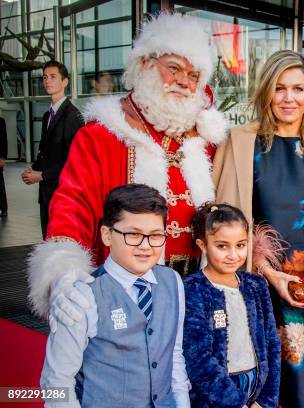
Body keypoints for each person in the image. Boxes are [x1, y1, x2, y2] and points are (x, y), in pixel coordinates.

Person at [27, 12, 227, 329]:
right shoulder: (103, 135)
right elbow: (72, 205)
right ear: (145, 65)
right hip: (126, 301)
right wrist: (63, 271)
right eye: (173, 68)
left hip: (199, 299)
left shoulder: (208, 142)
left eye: (193, 75)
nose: (183, 82)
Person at [213, 49, 304, 408]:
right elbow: (219, 223)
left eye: (298, 89)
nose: (288, 98)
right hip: (256, 285)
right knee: (256, 387)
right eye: (279, 88)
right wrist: (269, 273)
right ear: (266, 91)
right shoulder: (238, 144)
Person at [40, 184, 191, 407]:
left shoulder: (172, 281)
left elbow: (174, 357)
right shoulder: (81, 295)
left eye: (156, 235)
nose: (145, 246)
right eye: (133, 234)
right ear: (107, 235)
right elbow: (55, 382)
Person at [183, 203, 280, 407]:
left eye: (240, 245)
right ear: (202, 245)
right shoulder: (194, 290)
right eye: (222, 246)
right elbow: (198, 358)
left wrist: (266, 400)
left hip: (257, 390)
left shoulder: (256, 285)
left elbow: (272, 343)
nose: (233, 255)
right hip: (217, 396)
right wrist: (234, 402)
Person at [21, 61, 84, 237]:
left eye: (53, 77)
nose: (47, 81)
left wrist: (41, 175)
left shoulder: (73, 116)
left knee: (59, 241)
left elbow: (73, 160)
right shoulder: (48, 115)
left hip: (62, 193)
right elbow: (47, 150)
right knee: (47, 239)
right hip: (47, 192)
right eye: (45, 77)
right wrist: (34, 168)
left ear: (65, 82)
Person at [0, 116, 7, 217]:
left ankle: (3, 208)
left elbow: (3, 140)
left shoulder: (1, 122)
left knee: (0, 185)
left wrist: (2, 157)